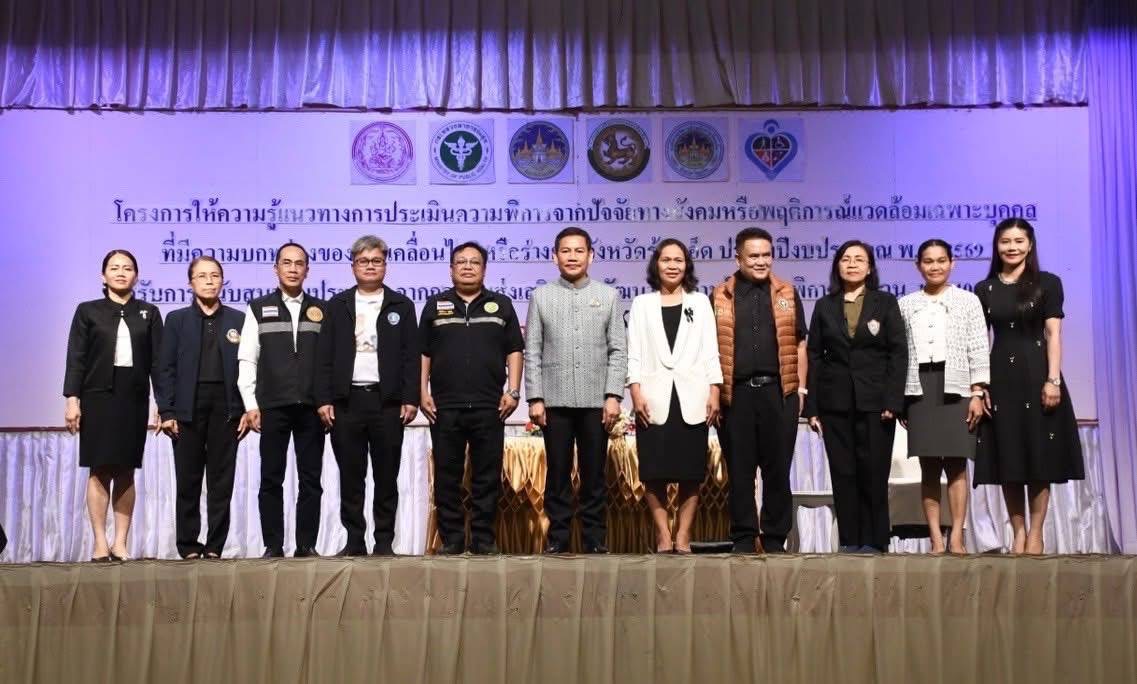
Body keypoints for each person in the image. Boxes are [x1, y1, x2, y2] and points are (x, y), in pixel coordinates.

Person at [973, 218, 1083, 555]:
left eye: (1019, 241)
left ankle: (1036, 534)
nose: (1012, 247)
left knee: (1039, 457)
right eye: (1005, 241)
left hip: (1038, 376)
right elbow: (980, 341)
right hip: (1000, 379)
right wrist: (980, 386)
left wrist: (1053, 379)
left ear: (1030, 245)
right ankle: (1018, 532)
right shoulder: (985, 288)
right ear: (997, 246)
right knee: (1008, 458)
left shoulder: (1048, 283)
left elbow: (1053, 334)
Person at [525, 227, 627, 554]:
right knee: (557, 475)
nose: (572, 257)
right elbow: (533, 350)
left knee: (594, 475)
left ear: (591, 256)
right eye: (565, 251)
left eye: (579, 251)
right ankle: (558, 539)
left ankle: (595, 540)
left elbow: (618, 350)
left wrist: (613, 395)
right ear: (554, 256)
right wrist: (535, 398)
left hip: (596, 401)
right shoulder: (541, 296)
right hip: (554, 402)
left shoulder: (608, 296)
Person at [316, 236, 419, 556]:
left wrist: (411, 397)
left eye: (376, 261)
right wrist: (324, 399)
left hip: (387, 403)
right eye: (363, 261)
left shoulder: (401, 305)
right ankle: (355, 541)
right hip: (347, 402)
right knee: (351, 476)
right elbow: (324, 356)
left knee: (386, 476)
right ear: (353, 267)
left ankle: (384, 541)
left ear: (385, 265)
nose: (370, 266)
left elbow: (411, 356)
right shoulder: (337, 305)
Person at [419, 242, 524, 555]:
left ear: (484, 269)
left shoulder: (501, 305)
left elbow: (514, 350)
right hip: (444, 406)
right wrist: (421, 392)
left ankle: (483, 538)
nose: (467, 267)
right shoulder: (435, 305)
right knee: (447, 477)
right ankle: (452, 539)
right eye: (461, 262)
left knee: (487, 477)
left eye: (474, 262)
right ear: (451, 269)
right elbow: (423, 352)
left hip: (490, 405)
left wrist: (513, 391)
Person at [804, 240, 906, 553]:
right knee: (843, 472)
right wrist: (812, 407)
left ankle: (876, 540)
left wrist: (893, 400)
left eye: (859, 259)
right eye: (846, 259)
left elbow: (898, 353)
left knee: (873, 472)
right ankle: (850, 540)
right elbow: (815, 356)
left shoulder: (885, 303)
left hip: (876, 403)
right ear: (837, 266)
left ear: (870, 267)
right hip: (835, 403)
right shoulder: (825, 305)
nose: (852, 264)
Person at [711, 227, 807, 554]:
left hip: (778, 394)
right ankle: (743, 536)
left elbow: (800, 343)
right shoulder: (719, 295)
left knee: (777, 469)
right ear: (738, 258)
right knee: (740, 470)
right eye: (753, 256)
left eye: (766, 255)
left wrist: (801, 390)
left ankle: (775, 537)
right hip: (735, 395)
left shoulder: (787, 292)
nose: (761, 261)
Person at [64, 249, 163, 562]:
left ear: (136, 275)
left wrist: (163, 403)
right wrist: (72, 399)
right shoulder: (87, 311)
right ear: (103, 275)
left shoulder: (149, 312)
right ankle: (99, 542)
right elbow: (76, 358)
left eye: (127, 268)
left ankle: (120, 542)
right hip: (97, 398)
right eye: (115, 268)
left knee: (126, 470)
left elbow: (159, 363)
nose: (121, 273)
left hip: (133, 399)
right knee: (99, 469)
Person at [626, 239, 722, 553]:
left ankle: (683, 535)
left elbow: (711, 351)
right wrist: (635, 390)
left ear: (686, 265)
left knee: (691, 473)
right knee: (653, 472)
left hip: (693, 397)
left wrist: (715, 390)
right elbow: (634, 353)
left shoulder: (700, 302)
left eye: (678, 260)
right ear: (656, 264)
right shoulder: (642, 304)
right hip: (652, 398)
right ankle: (663, 535)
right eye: (666, 259)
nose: (672, 265)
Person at [897, 240, 989, 554]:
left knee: (957, 466)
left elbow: (978, 347)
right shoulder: (906, 304)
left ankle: (957, 537)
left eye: (941, 260)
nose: (935, 267)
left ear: (952, 262)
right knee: (928, 467)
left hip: (956, 387)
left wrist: (977, 392)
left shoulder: (968, 301)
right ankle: (936, 538)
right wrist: (902, 398)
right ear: (918, 265)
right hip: (919, 388)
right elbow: (900, 354)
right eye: (928, 261)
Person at [237, 242, 327, 558]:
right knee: (271, 479)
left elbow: (330, 361)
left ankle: (306, 545)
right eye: (286, 263)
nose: (292, 269)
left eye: (299, 263)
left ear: (307, 270)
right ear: (276, 268)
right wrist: (251, 404)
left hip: (312, 407)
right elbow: (247, 358)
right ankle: (273, 545)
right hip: (272, 406)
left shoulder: (322, 310)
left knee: (311, 480)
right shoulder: (258, 307)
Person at [156, 256, 249, 559]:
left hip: (227, 406)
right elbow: (165, 368)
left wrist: (247, 408)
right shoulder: (177, 320)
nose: (209, 281)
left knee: (221, 479)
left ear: (223, 281)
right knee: (188, 477)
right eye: (202, 276)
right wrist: (167, 411)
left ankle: (214, 546)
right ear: (190, 282)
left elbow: (250, 367)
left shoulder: (239, 319)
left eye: (215, 275)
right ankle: (188, 545)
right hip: (188, 406)